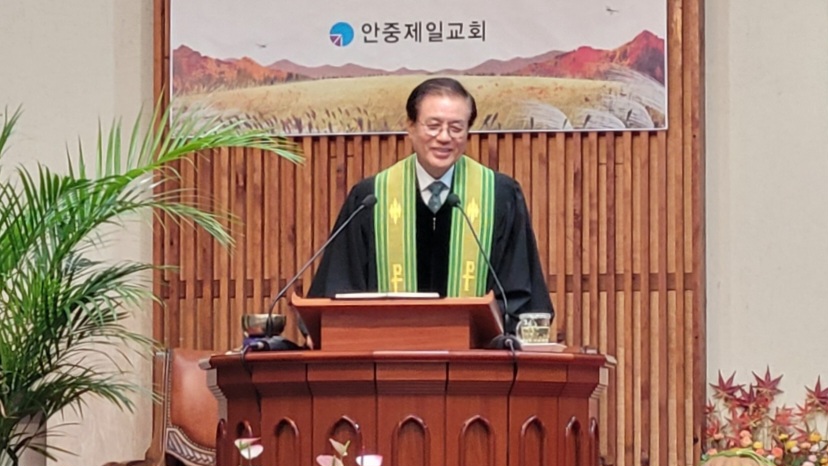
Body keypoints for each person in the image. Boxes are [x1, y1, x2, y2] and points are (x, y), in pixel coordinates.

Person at [307, 77, 553, 333]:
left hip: (475, 353)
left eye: (456, 128)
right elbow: (339, 290)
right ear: (410, 127)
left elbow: (519, 296)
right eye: (433, 126)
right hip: (387, 351)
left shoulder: (499, 196)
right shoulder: (372, 198)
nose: (444, 137)